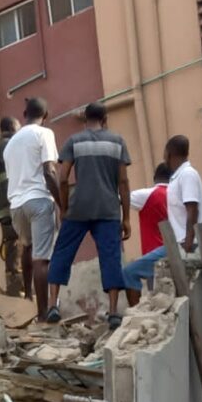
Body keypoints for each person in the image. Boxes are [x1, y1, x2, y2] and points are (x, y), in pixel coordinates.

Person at [44, 102, 131, 329]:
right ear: (105, 119)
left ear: (84, 119)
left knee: (62, 252)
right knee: (111, 257)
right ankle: (113, 312)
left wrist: (63, 208)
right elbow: (123, 181)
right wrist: (127, 217)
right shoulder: (118, 142)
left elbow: (62, 178)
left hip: (79, 208)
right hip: (108, 208)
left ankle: (53, 304)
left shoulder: (74, 141)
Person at [121, 135, 202, 306]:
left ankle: (135, 314)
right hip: (176, 244)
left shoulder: (187, 175)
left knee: (130, 272)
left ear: (170, 153)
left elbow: (192, 209)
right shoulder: (177, 178)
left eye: (165, 152)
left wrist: (188, 244)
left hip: (183, 245)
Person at [4, 97, 60, 322]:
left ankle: (28, 298)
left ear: (24, 113)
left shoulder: (10, 144)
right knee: (42, 259)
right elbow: (49, 170)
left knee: (27, 247)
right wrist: (62, 203)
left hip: (16, 204)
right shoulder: (44, 133)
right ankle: (42, 314)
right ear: (45, 116)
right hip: (38, 200)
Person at [0, 116, 24, 297]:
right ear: (12, 128)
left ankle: (16, 291)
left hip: (6, 209)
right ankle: (18, 294)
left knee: (13, 249)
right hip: (12, 207)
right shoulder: (8, 146)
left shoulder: (0, 148)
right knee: (16, 251)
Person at [130, 163, 172, 257]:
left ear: (154, 177)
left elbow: (119, 198)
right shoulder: (178, 196)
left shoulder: (147, 195)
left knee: (127, 271)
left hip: (153, 255)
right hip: (175, 253)